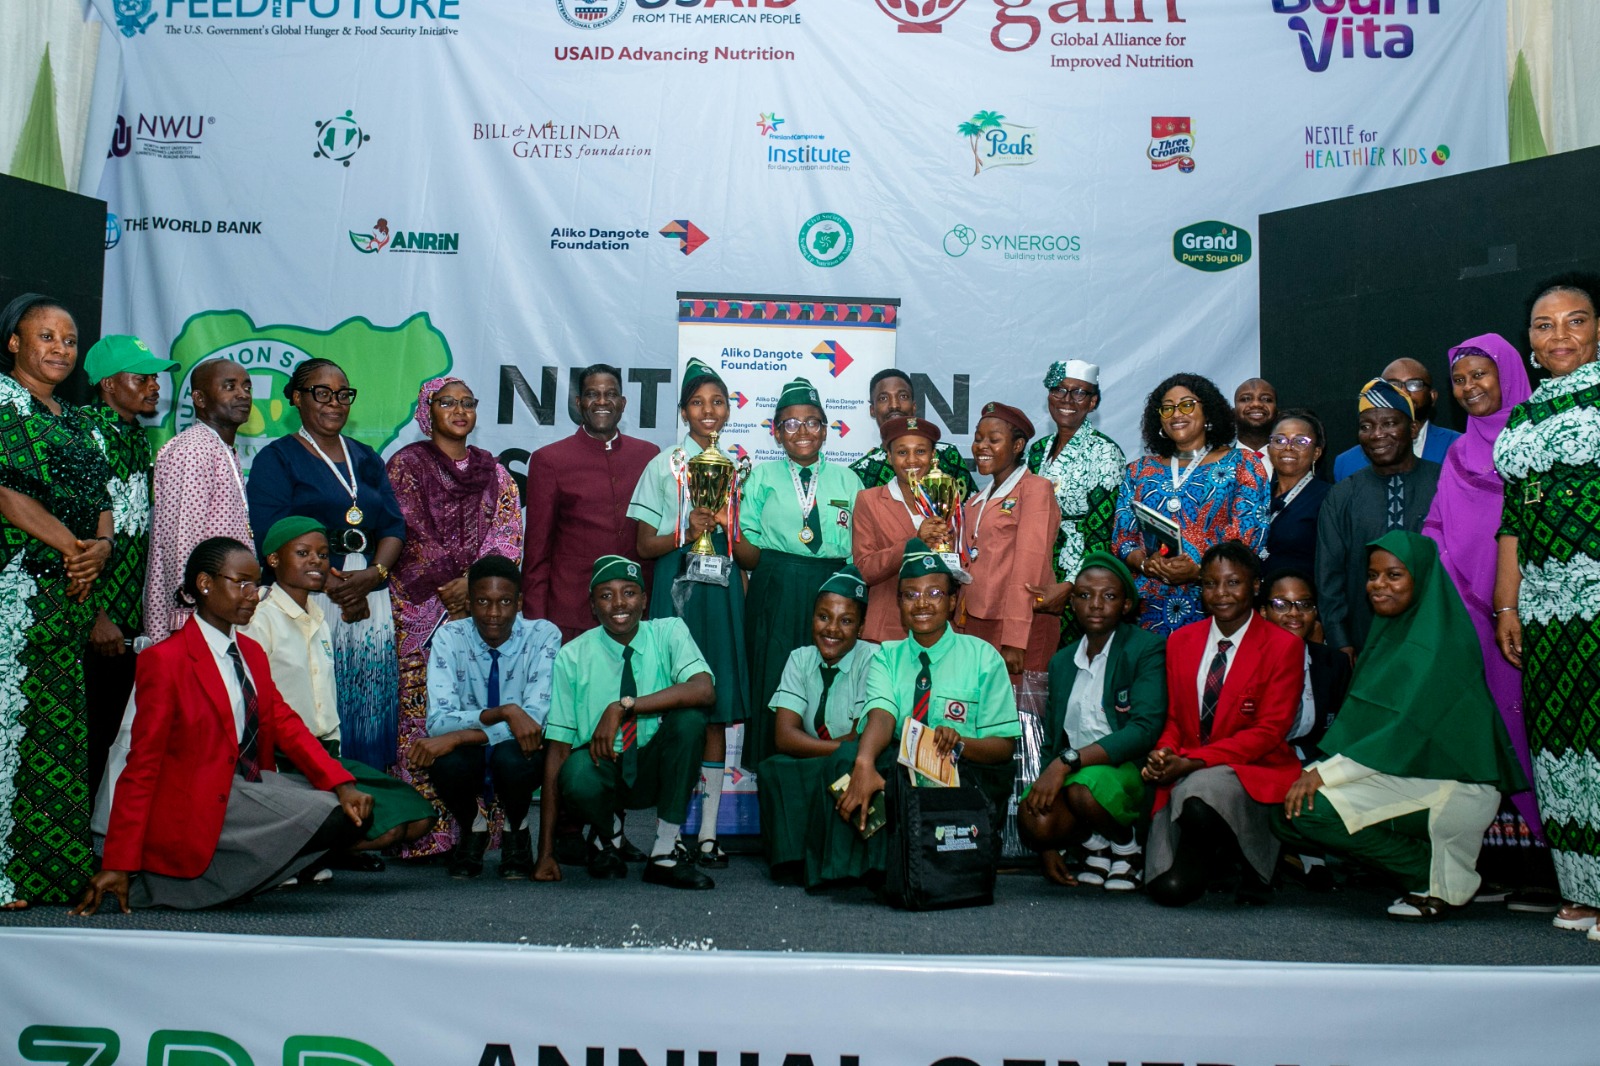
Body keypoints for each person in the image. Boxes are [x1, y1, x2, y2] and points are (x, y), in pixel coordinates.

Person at [73, 537, 373, 914]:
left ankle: (228, 878)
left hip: (246, 786)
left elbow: (286, 724)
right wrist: (117, 861)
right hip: (195, 799)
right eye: (241, 583)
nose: (252, 595)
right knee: (329, 815)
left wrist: (341, 783)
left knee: (350, 810)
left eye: (257, 585)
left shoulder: (250, 652)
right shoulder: (165, 661)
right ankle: (185, 881)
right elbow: (142, 766)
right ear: (205, 584)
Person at [1274, 533, 1528, 921]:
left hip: (1451, 788)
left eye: (1394, 575)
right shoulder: (1392, 632)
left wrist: (1322, 775)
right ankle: (1422, 866)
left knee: (1308, 808)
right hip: (1403, 772)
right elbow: (1369, 724)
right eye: (1373, 575)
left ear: (1422, 578)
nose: (1378, 586)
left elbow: (1400, 730)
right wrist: (1314, 771)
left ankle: (1435, 876)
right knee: (1283, 813)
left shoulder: (1435, 643)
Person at [814, 540, 1021, 889]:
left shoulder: (984, 657)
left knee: (899, 773)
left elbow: (1002, 748)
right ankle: (872, 869)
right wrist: (864, 763)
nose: (922, 603)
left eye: (935, 593)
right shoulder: (888, 656)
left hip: (963, 775)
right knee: (850, 759)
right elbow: (882, 713)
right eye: (910, 595)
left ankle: (907, 866)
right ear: (898, 604)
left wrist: (960, 743)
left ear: (953, 601)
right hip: (904, 767)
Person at [1493, 273, 1600, 937]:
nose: (1558, 334)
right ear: (1529, 341)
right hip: (1547, 609)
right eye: (1544, 324)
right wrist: (1508, 604)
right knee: (1562, 744)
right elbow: (1516, 515)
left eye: (1576, 320)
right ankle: (1585, 886)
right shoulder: (1526, 416)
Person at [240, 517, 436, 876]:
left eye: (322, 553)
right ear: (272, 560)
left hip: (326, 751)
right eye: (302, 553)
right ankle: (291, 858)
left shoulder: (318, 614)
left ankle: (308, 853)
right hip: (284, 756)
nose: (316, 561)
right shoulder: (260, 619)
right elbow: (257, 705)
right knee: (388, 827)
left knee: (418, 817)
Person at [0, 294, 113, 910]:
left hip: (66, 595)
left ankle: (46, 873)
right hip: (15, 591)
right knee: (8, 730)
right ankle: (3, 873)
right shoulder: (2, 403)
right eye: (46, 337)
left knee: (56, 735)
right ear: (14, 342)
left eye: (68, 341)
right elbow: (7, 492)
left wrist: (97, 549)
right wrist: (76, 548)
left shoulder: (75, 419)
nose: (60, 350)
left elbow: (102, 501)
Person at [1420, 335, 1546, 877]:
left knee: (1538, 727)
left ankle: (1561, 855)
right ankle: (1505, 860)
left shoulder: (1540, 438)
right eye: (1461, 379)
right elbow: (1436, 524)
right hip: (1468, 616)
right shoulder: (1457, 452)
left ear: (1509, 374)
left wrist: (1513, 599)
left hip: (1534, 611)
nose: (1470, 387)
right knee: (1484, 730)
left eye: (1481, 375)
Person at [246, 359, 405, 772]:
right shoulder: (276, 459)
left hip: (370, 596)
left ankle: (369, 795)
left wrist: (374, 576)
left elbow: (393, 526)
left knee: (368, 707)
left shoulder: (366, 457)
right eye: (322, 393)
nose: (335, 403)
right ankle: (319, 798)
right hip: (310, 599)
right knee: (319, 699)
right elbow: (271, 536)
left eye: (343, 394)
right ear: (297, 398)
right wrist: (338, 589)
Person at [387, 376, 522, 858]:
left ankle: (491, 828)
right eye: (448, 403)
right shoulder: (407, 465)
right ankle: (429, 830)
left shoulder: (494, 472)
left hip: (484, 611)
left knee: (485, 705)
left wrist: (476, 585)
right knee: (424, 713)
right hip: (423, 609)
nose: (460, 410)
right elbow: (407, 530)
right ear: (428, 410)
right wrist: (453, 582)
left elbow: (507, 532)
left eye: (468, 402)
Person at [628, 358, 749, 868]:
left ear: (729, 410)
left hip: (719, 595)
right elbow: (643, 545)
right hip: (674, 595)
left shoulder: (739, 467)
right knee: (678, 709)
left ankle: (706, 834)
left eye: (717, 401)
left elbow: (743, 549)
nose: (708, 410)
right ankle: (667, 831)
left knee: (716, 712)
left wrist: (724, 523)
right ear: (682, 412)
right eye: (698, 402)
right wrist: (687, 527)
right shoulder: (664, 465)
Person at [534, 555, 715, 889]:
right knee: (575, 773)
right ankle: (608, 835)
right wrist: (545, 853)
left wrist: (625, 707)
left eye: (629, 592)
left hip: (654, 768)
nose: (619, 603)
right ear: (592, 605)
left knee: (689, 721)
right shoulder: (571, 657)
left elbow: (704, 690)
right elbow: (557, 753)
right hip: (606, 770)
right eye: (606, 595)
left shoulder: (669, 631)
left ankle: (664, 852)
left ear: (644, 600)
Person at [1142, 541, 1302, 907]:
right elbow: (1173, 719)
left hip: (1253, 769)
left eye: (1233, 583)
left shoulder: (1284, 646)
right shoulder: (1181, 641)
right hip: (1188, 766)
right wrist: (1164, 752)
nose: (1221, 593)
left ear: (1255, 586)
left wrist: (1194, 762)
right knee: (1168, 891)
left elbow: (1268, 732)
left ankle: (1247, 857)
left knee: (1199, 795)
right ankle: (1217, 856)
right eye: (1210, 584)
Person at [1018, 552, 1164, 890]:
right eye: (1084, 596)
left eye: (1108, 596)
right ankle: (1095, 843)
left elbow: (1144, 730)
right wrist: (1048, 844)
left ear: (1126, 605)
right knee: (1033, 818)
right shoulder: (1061, 662)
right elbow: (1054, 741)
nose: (1095, 604)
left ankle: (1127, 847)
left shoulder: (1146, 648)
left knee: (1085, 787)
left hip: (1127, 771)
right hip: (1078, 773)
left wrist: (1067, 763)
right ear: (1072, 603)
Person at [736, 377, 861, 772]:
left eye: (812, 422)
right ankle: (773, 773)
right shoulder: (761, 477)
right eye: (790, 423)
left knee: (830, 677)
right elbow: (747, 548)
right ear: (776, 433)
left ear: (825, 430)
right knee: (775, 676)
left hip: (833, 586)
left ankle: (832, 762)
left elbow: (861, 545)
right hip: (776, 586)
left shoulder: (848, 480)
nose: (802, 431)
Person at [410, 553, 561, 881]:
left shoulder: (543, 636)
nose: (494, 614)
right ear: (470, 601)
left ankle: (516, 829)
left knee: (514, 757)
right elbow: (438, 722)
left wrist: (461, 734)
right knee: (445, 762)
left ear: (519, 602)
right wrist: (505, 711)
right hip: (476, 752)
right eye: (482, 601)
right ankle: (473, 828)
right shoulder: (450, 638)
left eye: (505, 601)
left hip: (518, 754)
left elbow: (534, 723)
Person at [82, 334, 175, 804]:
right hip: (89, 624)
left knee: (114, 741)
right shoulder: (83, 434)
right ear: (106, 384)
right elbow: (68, 532)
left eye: (155, 377)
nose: (154, 386)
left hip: (127, 623)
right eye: (141, 377)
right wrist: (94, 615)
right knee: (83, 742)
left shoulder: (137, 437)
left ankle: (102, 850)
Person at [1113, 373, 1270, 636]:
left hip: (1216, 603)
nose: (1177, 414)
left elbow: (1248, 537)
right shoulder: (1138, 471)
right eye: (1168, 408)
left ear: (1207, 412)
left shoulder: (1242, 464)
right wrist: (1144, 564)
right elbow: (1122, 538)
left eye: (1187, 405)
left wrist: (1199, 571)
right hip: (1146, 608)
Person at [756, 566, 878, 879]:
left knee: (846, 763)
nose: (832, 629)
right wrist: (837, 748)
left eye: (846, 620)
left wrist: (841, 750)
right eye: (823, 617)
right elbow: (784, 735)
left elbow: (862, 738)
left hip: (853, 762)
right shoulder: (800, 658)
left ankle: (841, 863)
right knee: (773, 766)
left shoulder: (874, 658)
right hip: (828, 753)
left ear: (861, 627)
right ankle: (792, 859)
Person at [523, 363, 658, 642]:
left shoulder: (648, 454)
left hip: (637, 613)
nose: (601, 401)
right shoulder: (549, 460)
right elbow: (537, 554)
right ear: (579, 403)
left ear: (622, 403)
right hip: (573, 614)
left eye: (610, 394)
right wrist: (535, 626)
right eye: (592, 394)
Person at [1316, 380, 1441, 658]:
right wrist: (1340, 640)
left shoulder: (1445, 483)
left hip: (1435, 636)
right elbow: (1329, 575)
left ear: (1412, 429)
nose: (1376, 435)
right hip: (1365, 640)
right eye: (1366, 427)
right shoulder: (1342, 495)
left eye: (1389, 424)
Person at [143, 357, 254, 643]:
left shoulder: (222, 448)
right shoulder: (191, 450)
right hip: (195, 619)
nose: (242, 394)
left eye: (246, 386)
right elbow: (181, 539)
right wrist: (189, 614)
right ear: (199, 398)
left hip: (219, 614)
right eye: (229, 386)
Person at [1025, 360, 1125, 642]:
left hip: (1080, 579)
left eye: (1079, 393)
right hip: (1036, 569)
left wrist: (1070, 586)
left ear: (1092, 402)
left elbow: (1102, 533)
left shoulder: (1104, 452)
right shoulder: (1037, 450)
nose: (1067, 400)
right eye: (1059, 390)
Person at [959, 401, 1061, 678]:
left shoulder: (1035, 489)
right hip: (976, 621)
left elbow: (1031, 564)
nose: (982, 446)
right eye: (978, 439)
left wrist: (1015, 639)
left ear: (1017, 446)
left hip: (1016, 624)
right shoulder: (975, 502)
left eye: (994, 440)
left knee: (1019, 716)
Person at [851, 414, 958, 645]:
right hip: (887, 630)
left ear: (932, 456)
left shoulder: (947, 497)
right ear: (888, 456)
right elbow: (865, 569)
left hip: (941, 630)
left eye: (920, 451)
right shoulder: (869, 501)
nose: (912, 460)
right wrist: (914, 542)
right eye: (902, 452)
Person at [1260, 569, 1350, 763]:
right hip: (1253, 763)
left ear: (1315, 612)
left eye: (1305, 605)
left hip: (1311, 764)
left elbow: (1342, 733)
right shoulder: (1244, 660)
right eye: (1281, 604)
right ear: (1263, 611)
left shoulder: (1335, 663)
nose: (1294, 613)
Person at [849, 369, 976, 498]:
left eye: (903, 396)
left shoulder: (948, 455)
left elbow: (970, 511)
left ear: (914, 406)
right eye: (883, 398)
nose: (894, 405)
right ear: (872, 410)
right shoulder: (861, 471)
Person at [1333, 358, 1461, 481]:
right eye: (1393, 385)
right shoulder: (1346, 463)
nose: (1403, 392)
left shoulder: (1460, 446)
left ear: (1432, 396)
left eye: (1414, 384)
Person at [1263, 410, 1330, 578]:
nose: (1288, 447)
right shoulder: (1256, 495)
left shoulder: (1329, 498)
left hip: (1300, 599)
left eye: (1300, 441)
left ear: (1316, 453)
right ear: (1269, 449)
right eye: (1279, 440)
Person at [1232, 377, 1278, 472]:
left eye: (1266, 399)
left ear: (1277, 412)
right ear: (1233, 412)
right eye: (1245, 399)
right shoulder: (1217, 462)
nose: (1256, 404)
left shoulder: (1292, 462)